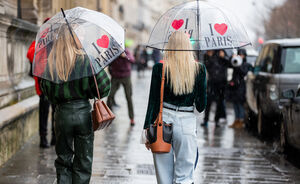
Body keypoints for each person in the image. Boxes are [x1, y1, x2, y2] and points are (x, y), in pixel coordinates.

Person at [40, 25, 111, 183]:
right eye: (80, 34)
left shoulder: (51, 62)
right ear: (72, 38)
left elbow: (46, 90)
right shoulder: (88, 60)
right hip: (83, 115)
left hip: (62, 115)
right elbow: (104, 87)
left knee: (63, 160)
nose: (83, 37)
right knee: (83, 162)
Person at [143, 31, 207, 184]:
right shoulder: (199, 69)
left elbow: (153, 101)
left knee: (164, 178)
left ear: (170, 47)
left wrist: (147, 128)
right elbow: (201, 106)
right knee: (184, 176)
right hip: (186, 123)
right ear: (188, 47)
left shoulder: (159, 68)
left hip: (162, 122)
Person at [26, 17, 56, 148]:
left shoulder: (58, 42)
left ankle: (55, 136)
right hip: (43, 83)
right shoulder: (39, 41)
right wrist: (43, 41)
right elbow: (30, 54)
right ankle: (43, 138)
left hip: (56, 83)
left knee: (57, 111)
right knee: (44, 112)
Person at [107, 48, 135, 126]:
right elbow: (108, 63)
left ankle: (132, 118)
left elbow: (132, 60)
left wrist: (125, 56)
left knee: (129, 97)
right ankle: (108, 116)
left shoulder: (126, 51)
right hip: (115, 77)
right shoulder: (112, 52)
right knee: (110, 95)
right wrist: (111, 72)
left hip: (126, 77)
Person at [202, 49, 228, 127]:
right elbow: (207, 66)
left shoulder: (222, 51)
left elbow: (228, 64)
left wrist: (223, 57)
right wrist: (209, 56)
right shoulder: (208, 53)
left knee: (219, 103)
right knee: (208, 102)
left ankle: (216, 121)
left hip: (221, 83)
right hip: (212, 82)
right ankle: (206, 120)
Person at [228, 48, 250, 128]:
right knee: (235, 104)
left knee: (240, 104)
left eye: (242, 55)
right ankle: (236, 120)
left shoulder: (245, 64)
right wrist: (232, 57)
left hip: (241, 87)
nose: (240, 56)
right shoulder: (235, 62)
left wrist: (239, 65)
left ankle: (241, 120)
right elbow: (229, 64)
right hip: (234, 87)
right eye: (239, 55)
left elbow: (243, 72)